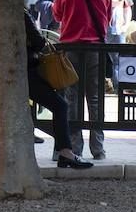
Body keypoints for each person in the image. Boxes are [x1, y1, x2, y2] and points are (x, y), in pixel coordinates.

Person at [53, 0, 113, 160]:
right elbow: (108, 19)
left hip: (71, 49)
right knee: (95, 98)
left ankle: (75, 147)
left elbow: (57, 14)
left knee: (72, 97)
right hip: (96, 49)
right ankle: (98, 148)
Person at [16, 9, 93, 169]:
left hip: (16, 71)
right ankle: (65, 153)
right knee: (60, 105)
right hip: (27, 71)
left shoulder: (2, 12)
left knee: (49, 107)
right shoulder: (20, 13)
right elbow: (38, 41)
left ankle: (63, 151)